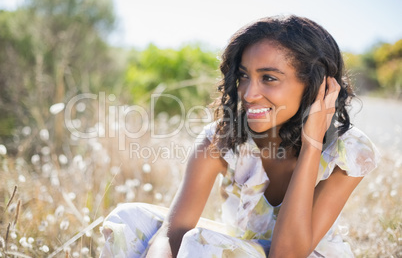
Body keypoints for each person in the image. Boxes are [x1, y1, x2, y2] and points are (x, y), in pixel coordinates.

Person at [100, 15, 380, 257]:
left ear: (316, 84)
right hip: (241, 251)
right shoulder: (220, 140)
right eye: (244, 76)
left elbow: (287, 254)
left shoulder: (347, 151)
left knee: (202, 245)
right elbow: (171, 234)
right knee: (128, 219)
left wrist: (312, 146)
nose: (248, 94)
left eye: (268, 78)